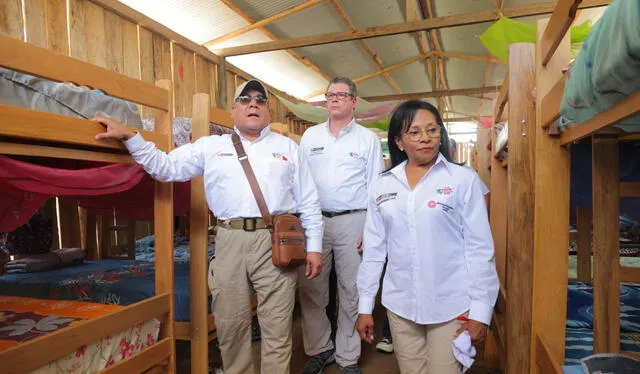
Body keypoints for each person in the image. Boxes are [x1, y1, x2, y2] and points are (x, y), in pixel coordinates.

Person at [94, 79, 324, 374]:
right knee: (230, 326)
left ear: (267, 111)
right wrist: (131, 136)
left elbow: (309, 201)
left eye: (260, 99)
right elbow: (165, 167)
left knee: (278, 328)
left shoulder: (289, 149)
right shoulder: (211, 146)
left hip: (275, 241)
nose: (253, 103)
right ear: (233, 111)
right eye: (245, 99)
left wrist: (315, 248)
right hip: (229, 240)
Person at [356, 100, 499, 374]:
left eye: (432, 130)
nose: (425, 138)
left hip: (452, 304)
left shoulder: (462, 180)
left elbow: (479, 249)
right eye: (414, 132)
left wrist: (481, 313)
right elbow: (374, 252)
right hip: (400, 305)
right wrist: (365, 307)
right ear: (399, 141)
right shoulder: (383, 185)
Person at [298, 77, 383, 374]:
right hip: (315, 221)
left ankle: (347, 356)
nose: (334, 99)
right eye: (329, 95)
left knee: (352, 288)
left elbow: (376, 188)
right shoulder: (309, 137)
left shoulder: (367, 140)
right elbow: (299, 183)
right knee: (311, 286)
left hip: (354, 220)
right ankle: (321, 349)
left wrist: (370, 229)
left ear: (353, 102)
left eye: (341, 95)